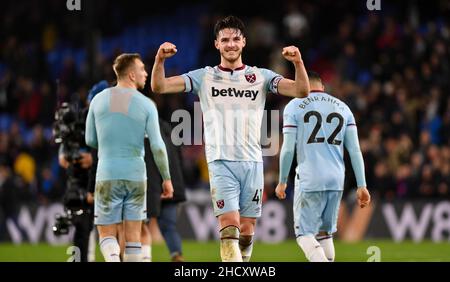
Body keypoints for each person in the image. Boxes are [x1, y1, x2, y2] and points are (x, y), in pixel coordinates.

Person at [151, 15, 309, 262]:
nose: (231, 44)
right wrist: (160, 59)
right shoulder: (203, 76)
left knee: (246, 231)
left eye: (236, 39)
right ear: (216, 44)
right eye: (225, 40)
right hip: (220, 161)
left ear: (244, 42)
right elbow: (159, 86)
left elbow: (301, 91)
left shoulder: (261, 77)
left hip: (253, 163)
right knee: (230, 226)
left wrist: (298, 63)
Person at [85, 53, 173, 262]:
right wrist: (166, 178)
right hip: (136, 177)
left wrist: (109, 143)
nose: (145, 73)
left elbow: (90, 139)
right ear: (131, 74)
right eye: (142, 69)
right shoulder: (146, 105)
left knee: (106, 235)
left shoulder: (98, 100)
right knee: (134, 238)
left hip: (107, 174)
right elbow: (158, 147)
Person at [275, 71, 371, 262]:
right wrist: (362, 185)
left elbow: (287, 149)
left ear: (301, 84)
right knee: (324, 234)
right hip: (336, 179)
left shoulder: (293, 106)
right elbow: (355, 150)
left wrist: (282, 181)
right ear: (323, 87)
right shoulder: (343, 108)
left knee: (304, 234)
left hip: (310, 177)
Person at [142, 119, 186, 262]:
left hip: (152, 185)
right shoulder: (171, 132)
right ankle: (176, 255)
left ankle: (141, 258)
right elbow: (180, 160)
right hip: (173, 185)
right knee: (169, 225)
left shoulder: (144, 132)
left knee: (139, 225)